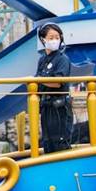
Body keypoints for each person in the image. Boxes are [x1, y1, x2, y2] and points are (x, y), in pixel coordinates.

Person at [36, 23, 73, 153]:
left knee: (60, 142)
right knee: (48, 143)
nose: (54, 40)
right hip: (46, 106)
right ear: (43, 39)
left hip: (59, 107)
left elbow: (58, 82)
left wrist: (39, 79)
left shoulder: (62, 59)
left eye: (57, 37)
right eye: (51, 37)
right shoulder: (42, 60)